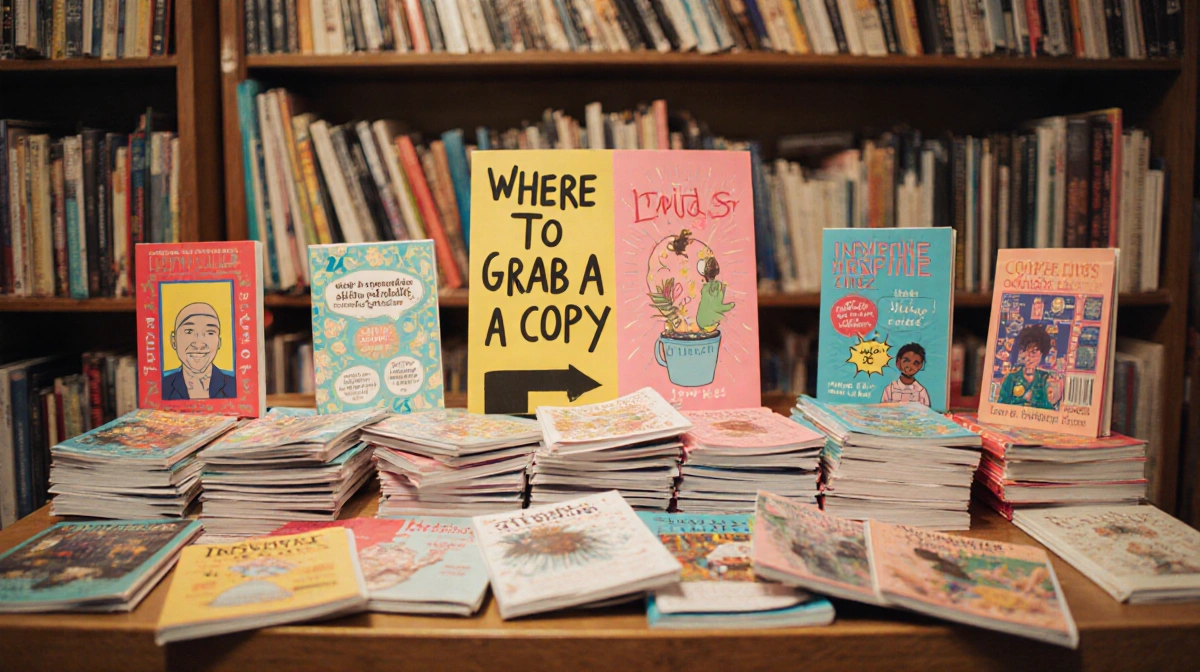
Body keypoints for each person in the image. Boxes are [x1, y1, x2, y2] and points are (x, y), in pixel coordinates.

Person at [162, 302, 236, 400]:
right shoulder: (161, 388)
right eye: (189, 331)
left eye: (210, 332)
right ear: (173, 340)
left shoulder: (235, 386)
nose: (199, 344)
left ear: (219, 342)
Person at [995, 324, 1062, 410]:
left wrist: (1033, 400)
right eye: (1025, 351)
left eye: (1034, 352)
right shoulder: (1012, 378)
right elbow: (1000, 407)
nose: (1028, 357)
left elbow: (1049, 410)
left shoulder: (1045, 379)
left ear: (1042, 353)